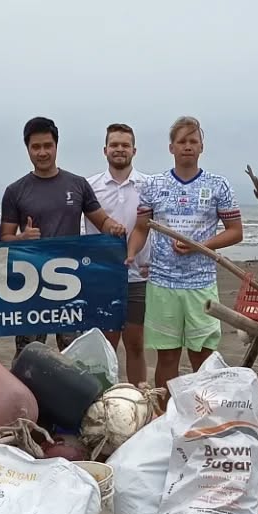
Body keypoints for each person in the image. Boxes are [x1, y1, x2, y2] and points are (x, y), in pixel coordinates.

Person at [126, 116, 243, 388]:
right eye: (182, 141)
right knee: (167, 358)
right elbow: (142, 228)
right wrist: (131, 252)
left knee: (203, 359)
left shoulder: (218, 185)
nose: (187, 146)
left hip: (201, 285)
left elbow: (235, 231)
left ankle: (202, 417)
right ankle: (167, 416)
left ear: (202, 147)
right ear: (171, 148)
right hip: (162, 285)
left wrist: (200, 246)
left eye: (193, 141)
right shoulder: (154, 185)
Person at [1, 116, 126, 353]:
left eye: (47, 146)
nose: (42, 152)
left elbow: (102, 221)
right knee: (29, 353)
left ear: (56, 146)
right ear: (27, 149)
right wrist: (21, 238)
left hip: (71, 284)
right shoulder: (15, 191)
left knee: (74, 354)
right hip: (31, 287)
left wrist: (115, 228)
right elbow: (4, 239)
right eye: (36, 147)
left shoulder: (77, 184)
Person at [83, 123, 150, 383]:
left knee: (135, 344)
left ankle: (139, 399)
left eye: (125, 145)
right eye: (114, 145)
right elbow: (80, 229)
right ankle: (105, 402)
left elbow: (155, 227)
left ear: (134, 150)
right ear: (105, 150)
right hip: (102, 278)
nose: (119, 149)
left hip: (138, 277)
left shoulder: (149, 185)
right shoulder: (90, 186)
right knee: (105, 347)